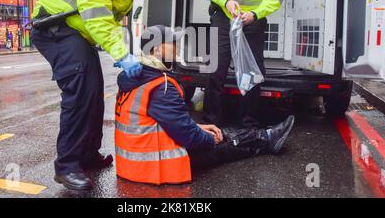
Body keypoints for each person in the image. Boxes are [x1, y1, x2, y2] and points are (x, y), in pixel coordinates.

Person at [31, 0, 167, 191]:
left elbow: (116, 20)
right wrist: (120, 53)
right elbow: (96, 15)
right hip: (55, 29)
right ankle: (67, 166)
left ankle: (88, 155)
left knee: (93, 93)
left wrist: (125, 49)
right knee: (80, 91)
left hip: (78, 33)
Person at [114, 25, 295, 185]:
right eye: (172, 43)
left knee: (214, 133)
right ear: (157, 50)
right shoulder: (161, 85)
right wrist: (210, 139)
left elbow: (159, 122)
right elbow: (187, 135)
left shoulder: (136, 77)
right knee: (222, 143)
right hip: (155, 166)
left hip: (133, 164)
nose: (177, 48)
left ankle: (264, 137)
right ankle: (266, 139)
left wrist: (199, 127)